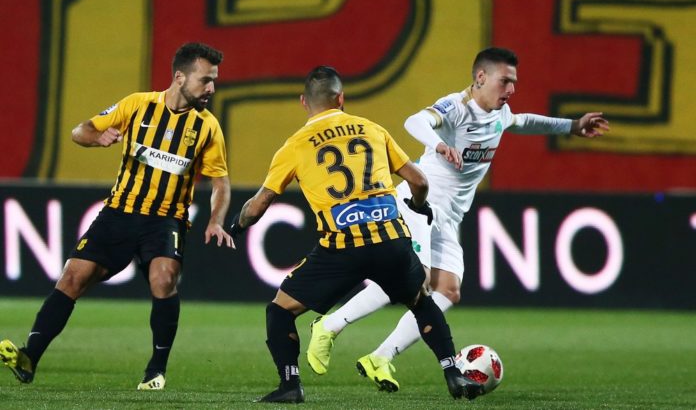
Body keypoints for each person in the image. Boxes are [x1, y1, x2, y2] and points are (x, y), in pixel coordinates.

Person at [306, 47, 610, 391]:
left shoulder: (500, 113)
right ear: (481, 77)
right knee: (413, 279)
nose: (511, 89)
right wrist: (438, 145)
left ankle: (380, 356)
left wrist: (572, 126)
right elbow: (414, 121)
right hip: (418, 203)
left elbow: (523, 121)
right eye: (505, 81)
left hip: (448, 218)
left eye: (514, 82)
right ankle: (329, 326)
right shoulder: (456, 107)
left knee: (448, 291)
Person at [228, 65, 484, 403]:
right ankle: (453, 373)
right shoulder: (372, 129)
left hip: (342, 248)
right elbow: (419, 181)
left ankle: (290, 385)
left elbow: (259, 206)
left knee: (280, 310)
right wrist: (419, 206)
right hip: (390, 239)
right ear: (341, 99)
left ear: (304, 102)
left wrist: (237, 224)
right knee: (422, 302)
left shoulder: (295, 145)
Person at [0, 42, 235, 390]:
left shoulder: (208, 127)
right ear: (179, 77)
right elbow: (80, 131)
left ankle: (156, 370)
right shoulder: (137, 104)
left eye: (214, 80)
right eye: (205, 80)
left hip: (164, 220)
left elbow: (220, 183)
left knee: (164, 279)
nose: (211, 88)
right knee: (72, 277)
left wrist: (215, 219)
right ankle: (29, 356)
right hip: (118, 214)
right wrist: (98, 138)